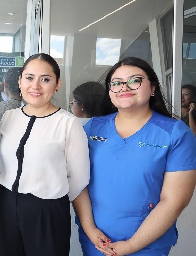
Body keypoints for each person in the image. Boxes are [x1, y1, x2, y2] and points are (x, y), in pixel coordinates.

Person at [73, 57, 196, 256]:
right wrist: (90, 229)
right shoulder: (93, 127)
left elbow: (174, 201)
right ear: (110, 91)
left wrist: (131, 245)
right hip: (97, 242)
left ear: (153, 87)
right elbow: (79, 183)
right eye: (116, 82)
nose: (124, 87)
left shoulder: (175, 134)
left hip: (147, 245)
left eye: (135, 80)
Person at [0, 53, 90, 256]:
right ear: (20, 81)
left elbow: (79, 179)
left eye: (45, 79)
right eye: (29, 78)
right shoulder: (9, 117)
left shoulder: (67, 123)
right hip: (5, 205)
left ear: (57, 84)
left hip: (47, 210)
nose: (35, 86)